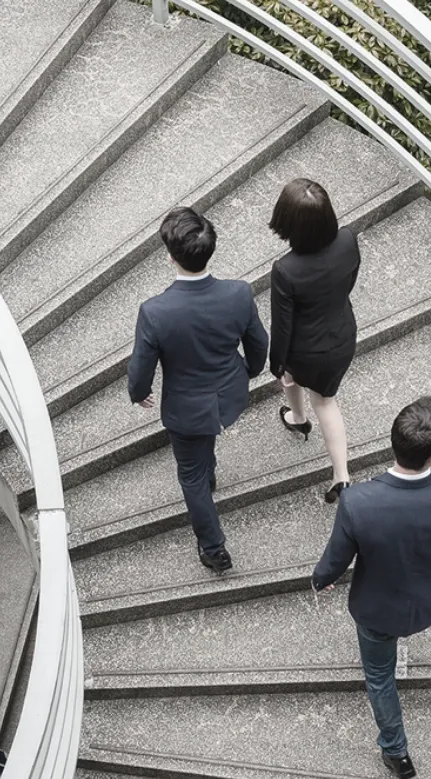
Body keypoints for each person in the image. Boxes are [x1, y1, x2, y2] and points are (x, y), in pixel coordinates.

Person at [312, 396, 431, 779]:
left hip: (376, 610)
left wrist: (320, 580)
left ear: (393, 442)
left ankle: (396, 752)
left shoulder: (358, 501)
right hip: (427, 604)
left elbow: (336, 560)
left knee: (378, 676)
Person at [128, 207, 268, 573]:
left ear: (171, 257)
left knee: (190, 477)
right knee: (203, 452)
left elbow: (142, 366)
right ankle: (210, 472)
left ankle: (213, 547)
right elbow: (258, 343)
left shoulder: (156, 311)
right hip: (229, 395)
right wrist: (248, 371)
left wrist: (137, 391)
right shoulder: (238, 293)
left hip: (188, 410)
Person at [268, 179, 360, 503]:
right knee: (326, 399)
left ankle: (300, 419)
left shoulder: (286, 270)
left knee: (298, 382)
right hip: (343, 336)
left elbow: (282, 327)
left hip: (305, 351)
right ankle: (340, 475)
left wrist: (276, 364)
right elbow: (350, 281)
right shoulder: (348, 239)